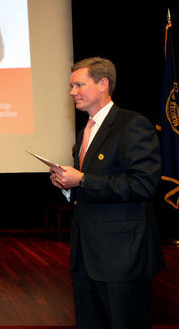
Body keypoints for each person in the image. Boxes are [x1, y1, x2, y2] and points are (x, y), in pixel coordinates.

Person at [50, 57, 164, 329]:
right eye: (71, 86)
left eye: (79, 85)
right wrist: (68, 186)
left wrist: (83, 180)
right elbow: (88, 186)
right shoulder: (85, 130)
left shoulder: (132, 124)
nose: (72, 92)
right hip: (86, 255)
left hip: (122, 257)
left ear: (103, 84)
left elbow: (144, 184)